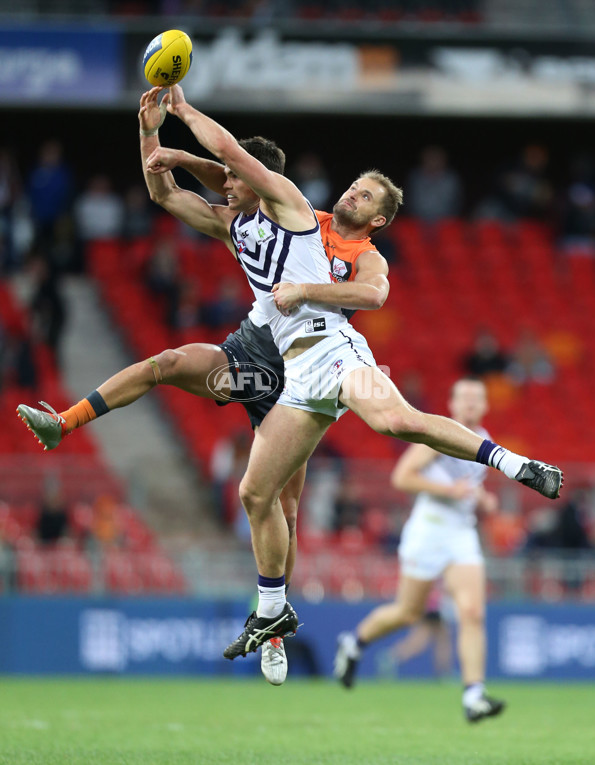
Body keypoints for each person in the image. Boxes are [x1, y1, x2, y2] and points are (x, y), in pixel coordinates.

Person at [20, 86, 562, 672]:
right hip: (278, 362)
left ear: (378, 217)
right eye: (354, 185)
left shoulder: (326, 228)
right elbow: (205, 179)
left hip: (332, 348)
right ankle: (272, 613)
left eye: (365, 193)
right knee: (254, 491)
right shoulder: (261, 220)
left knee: (392, 424)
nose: (351, 192)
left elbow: (250, 172)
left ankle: (516, 465)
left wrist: (180, 110)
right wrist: (156, 138)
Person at [16, 88, 394, 686]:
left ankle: (273, 624)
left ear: (252, 178)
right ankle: (63, 423)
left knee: (281, 505)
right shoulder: (230, 223)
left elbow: (225, 162)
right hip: (247, 358)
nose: (225, 187)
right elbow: (162, 192)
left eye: (234, 178)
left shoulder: (293, 215)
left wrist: (182, 131)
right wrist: (148, 135)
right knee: (166, 362)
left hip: (294, 373)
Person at [334, 379, 506, 722]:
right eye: (464, 398)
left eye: (476, 398)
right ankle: (353, 644)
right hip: (428, 530)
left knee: (472, 612)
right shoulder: (441, 434)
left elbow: (467, 487)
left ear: (485, 406)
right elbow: (402, 477)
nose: (470, 404)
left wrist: (482, 497)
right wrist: (447, 491)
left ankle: (474, 695)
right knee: (408, 612)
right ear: (453, 404)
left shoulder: (484, 441)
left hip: (461, 534)